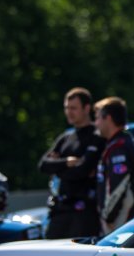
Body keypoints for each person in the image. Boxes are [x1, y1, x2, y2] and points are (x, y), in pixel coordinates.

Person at [38, 87, 106, 239]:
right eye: (67, 108)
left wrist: (57, 168)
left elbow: (82, 171)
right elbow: (43, 165)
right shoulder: (66, 137)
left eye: (73, 108)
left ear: (86, 108)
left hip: (84, 212)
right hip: (60, 210)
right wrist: (67, 163)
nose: (69, 112)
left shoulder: (97, 135)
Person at [94, 97, 134, 235]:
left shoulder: (119, 147)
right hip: (120, 220)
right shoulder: (119, 143)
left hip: (120, 223)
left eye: (98, 118)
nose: (96, 123)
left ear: (108, 118)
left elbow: (118, 186)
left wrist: (108, 216)